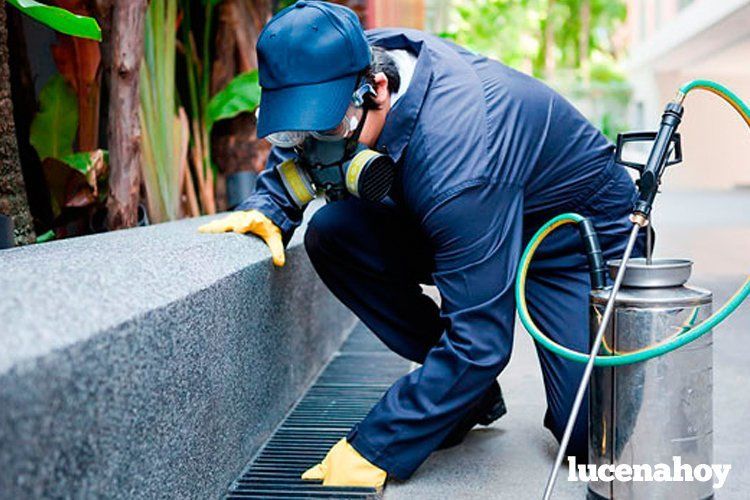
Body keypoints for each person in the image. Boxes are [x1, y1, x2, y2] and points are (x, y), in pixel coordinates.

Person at [199, 0, 645, 487]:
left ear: (378, 90)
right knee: (333, 234)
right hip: (468, 216)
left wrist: (379, 446)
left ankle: (464, 389)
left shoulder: (461, 155)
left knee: (591, 437)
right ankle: (467, 399)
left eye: (331, 130)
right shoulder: (344, 57)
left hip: (572, 241)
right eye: (297, 130)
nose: (316, 149)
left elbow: (480, 342)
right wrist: (270, 206)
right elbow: (302, 142)